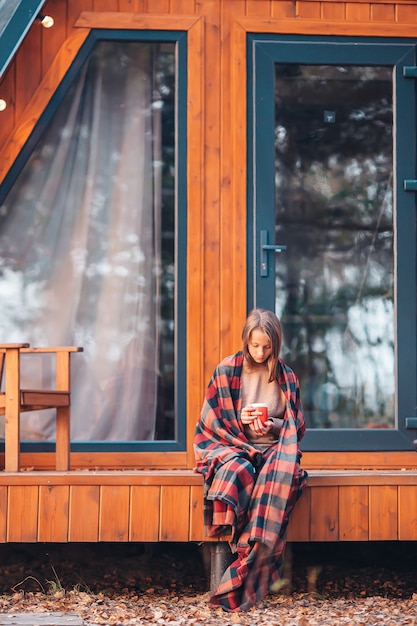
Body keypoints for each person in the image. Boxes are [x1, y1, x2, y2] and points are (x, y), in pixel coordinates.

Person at [194, 308, 308, 612]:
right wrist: (239, 422)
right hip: (232, 444)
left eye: (266, 347)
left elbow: (297, 428)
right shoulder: (227, 370)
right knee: (236, 470)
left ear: (276, 344)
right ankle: (234, 550)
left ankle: (250, 561)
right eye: (254, 345)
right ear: (246, 340)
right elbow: (211, 422)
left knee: (280, 475)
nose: (259, 352)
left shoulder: (286, 377)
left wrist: (273, 425)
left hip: (273, 448)